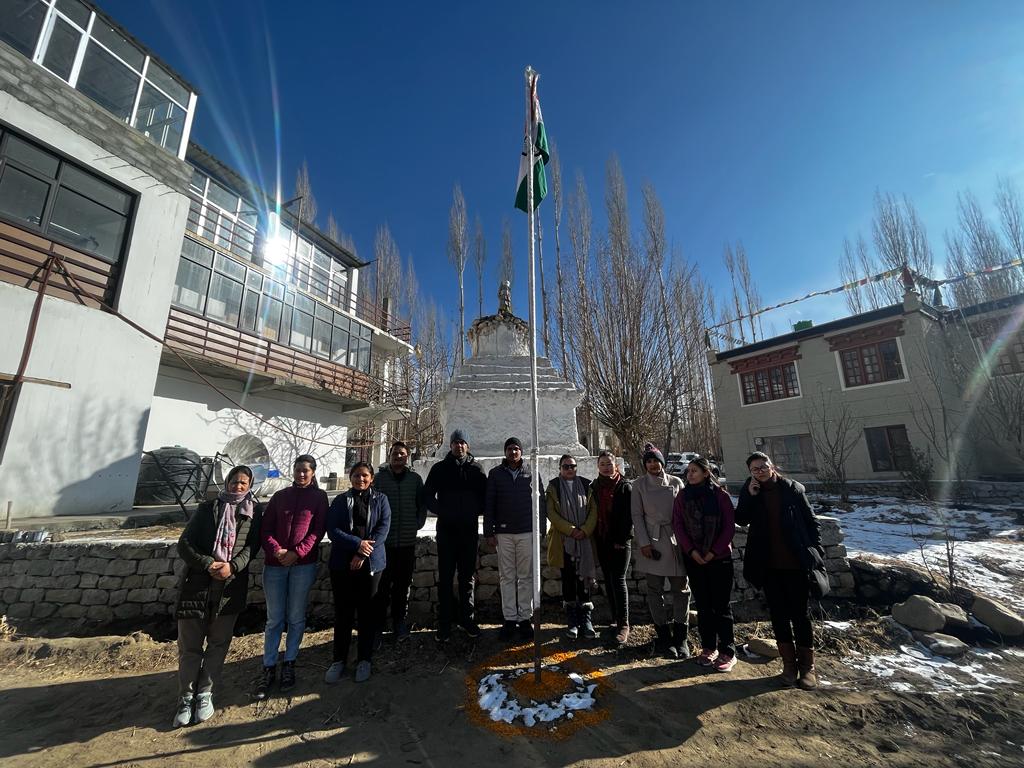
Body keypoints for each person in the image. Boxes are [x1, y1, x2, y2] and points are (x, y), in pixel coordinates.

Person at [173, 465, 263, 727]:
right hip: (197, 584)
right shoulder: (207, 509)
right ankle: (185, 697)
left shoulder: (253, 513)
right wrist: (207, 564)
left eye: (244, 483)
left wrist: (232, 567)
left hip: (230, 586)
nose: (238, 486)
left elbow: (251, 548)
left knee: (218, 642)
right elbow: (185, 544)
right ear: (227, 482)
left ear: (250, 486)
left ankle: (205, 693)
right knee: (190, 645)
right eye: (235, 481)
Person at [735, 451, 823, 690]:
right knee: (778, 615)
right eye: (755, 469)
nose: (760, 471)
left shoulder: (792, 489)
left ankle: (808, 667)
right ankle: (789, 666)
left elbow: (811, 521)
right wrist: (751, 495)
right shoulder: (751, 491)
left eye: (763, 466)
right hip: (769, 565)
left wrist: (815, 551)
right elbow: (741, 519)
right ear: (751, 473)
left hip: (796, 563)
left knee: (800, 615)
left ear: (772, 466)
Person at [256, 454, 328, 699]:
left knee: (296, 617)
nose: (301, 474)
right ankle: (268, 666)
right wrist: (277, 551)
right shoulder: (280, 496)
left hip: (302, 565)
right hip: (275, 565)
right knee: (274, 619)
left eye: (306, 470)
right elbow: (265, 528)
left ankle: (289, 662)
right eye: (298, 470)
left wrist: (297, 553)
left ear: (313, 472)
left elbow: (317, 531)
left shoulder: (319, 497)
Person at [325, 462, 391, 683]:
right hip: (342, 564)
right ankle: (339, 659)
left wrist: (363, 553)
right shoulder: (340, 501)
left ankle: (364, 659)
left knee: (367, 613)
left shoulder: (381, 500)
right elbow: (333, 529)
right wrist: (356, 544)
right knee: (343, 613)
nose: (360, 479)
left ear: (371, 478)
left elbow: (383, 528)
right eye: (356, 475)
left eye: (364, 476)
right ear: (350, 477)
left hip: (370, 564)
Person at [673, 457, 736, 672]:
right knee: (703, 605)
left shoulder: (720, 496)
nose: (690, 474)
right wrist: (691, 551)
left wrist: (712, 552)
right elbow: (678, 525)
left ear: (706, 473)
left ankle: (727, 650)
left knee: (721, 605)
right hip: (694, 558)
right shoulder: (683, 496)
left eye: (694, 471)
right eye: (688, 471)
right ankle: (709, 647)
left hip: (719, 558)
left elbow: (728, 527)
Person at [424, 429, 487, 642]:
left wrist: (474, 511)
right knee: (445, 577)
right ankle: (444, 622)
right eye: (455, 442)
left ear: (467, 446)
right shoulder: (439, 468)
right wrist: (442, 511)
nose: (459, 446)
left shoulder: (477, 469)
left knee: (467, 578)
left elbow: (485, 496)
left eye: (462, 442)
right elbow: (428, 495)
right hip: (446, 531)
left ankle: (467, 619)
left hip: (468, 530)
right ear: (450, 445)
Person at [631, 443, 691, 658]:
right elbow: (637, 515)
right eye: (648, 461)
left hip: (675, 540)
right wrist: (644, 543)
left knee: (681, 590)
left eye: (656, 460)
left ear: (662, 463)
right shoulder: (639, 485)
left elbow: (685, 512)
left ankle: (681, 637)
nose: (652, 464)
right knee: (655, 590)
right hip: (652, 541)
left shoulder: (676, 482)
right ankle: (664, 636)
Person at [484, 436, 545, 642]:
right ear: (505, 451)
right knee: (507, 576)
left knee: (526, 576)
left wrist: (541, 531)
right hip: (504, 533)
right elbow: (489, 503)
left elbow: (541, 502)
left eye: (516, 448)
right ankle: (509, 618)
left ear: (521, 451)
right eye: (509, 448)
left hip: (526, 531)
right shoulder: (495, 474)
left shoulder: (531, 472)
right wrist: (489, 532)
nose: (513, 452)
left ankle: (525, 617)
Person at [372, 441, 426, 643]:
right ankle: (378, 625)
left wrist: (417, 523)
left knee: (402, 586)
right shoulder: (379, 479)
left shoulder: (414, 479)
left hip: (406, 541)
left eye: (402, 453)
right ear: (390, 455)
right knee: (381, 587)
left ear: (407, 456)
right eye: (395, 453)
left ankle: (399, 622)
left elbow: (421, 504)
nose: (399, 456)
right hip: (383, 543)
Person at [545, 454, 595, 640]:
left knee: (584, 579)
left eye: (572, 466)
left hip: (584, 540)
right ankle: (572, 620)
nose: (569, 469)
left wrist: (585, 530)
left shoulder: (587, 485)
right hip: (564, 540)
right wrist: (571, 530)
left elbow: (593, 511)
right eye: (565, 466)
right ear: (560, 468)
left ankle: (586, 619)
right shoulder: (554, 487)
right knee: (568, 579)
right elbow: (551, 513)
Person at [588, 450, 633, 646]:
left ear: (616, 466)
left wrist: (621, 539)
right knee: (608, 579)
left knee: (619, 579)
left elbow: (629, 517)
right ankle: (614, 618)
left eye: (609, 464)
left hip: (620, 541)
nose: (606, 467)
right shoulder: (594, 487)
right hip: (602, 539)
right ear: (598, 467)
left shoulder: (625, 486)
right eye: (603, 464)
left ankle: (624, 624)